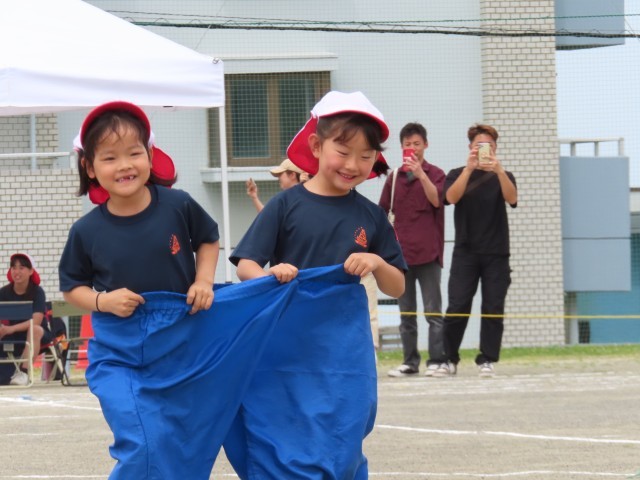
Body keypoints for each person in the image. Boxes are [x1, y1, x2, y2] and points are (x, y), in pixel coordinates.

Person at [229, 90, 407, 477]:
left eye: (366, 156)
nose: (353, 164)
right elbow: (245, 265)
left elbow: (397, 287)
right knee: (281, 426)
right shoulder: (286, 205)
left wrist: (376, 261)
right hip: (285, 344)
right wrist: (271, 277)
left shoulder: (371, 216)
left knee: (346, 423)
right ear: (316, 145)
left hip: (343, 351)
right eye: (343, 152)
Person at [58, 101, 220, 475]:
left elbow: (208, 239)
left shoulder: (178, 205)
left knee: (178, 440)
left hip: (180, 347)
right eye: (110, 157)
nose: (125, 165)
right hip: (119, 354)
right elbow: (72, 288)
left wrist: (203, 280)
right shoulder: (86, 231)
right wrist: (102, 300)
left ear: (150, 155)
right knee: (142, 441)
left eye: (134, 153)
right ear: (90, 167)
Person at [442, 123, 517, 377]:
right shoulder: (456, 173)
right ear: (470, 148)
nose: (484, 150)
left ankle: (487, 359)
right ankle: (448, 358)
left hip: (497, 252)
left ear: (495, 149)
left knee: (493, 307)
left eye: (489, 147)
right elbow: (450, 198)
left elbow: (512, 198)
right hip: (466, 252)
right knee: (457, 305)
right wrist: (469, 168)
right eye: (479, 146)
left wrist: (499, 170)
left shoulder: (503, 174)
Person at [380, 122, 447, 378]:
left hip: (429, 254)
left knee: (433, 312)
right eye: (407, 145)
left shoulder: (436, 174)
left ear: (425, 146)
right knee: (406, 313)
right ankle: (410, 362)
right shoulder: (394, 178)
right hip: (401, 257)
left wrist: (421, 174)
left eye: (416, 144)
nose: (412, 149)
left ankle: (437, 361)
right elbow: (382, 211)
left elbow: (437, 200)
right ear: (401, 147)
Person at [0, 253, 53, 386]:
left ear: (31, 271)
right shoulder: (3, 293)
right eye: (14, 267)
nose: (16, 271)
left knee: (35, 329)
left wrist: (10, 329)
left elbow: (36, 321)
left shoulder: (37, 292)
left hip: (38, 335)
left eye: (22, 267)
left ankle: (24, 372)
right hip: (11, 335)